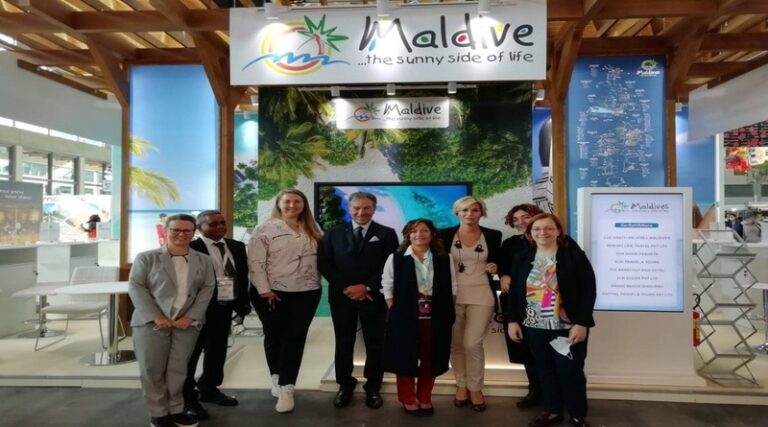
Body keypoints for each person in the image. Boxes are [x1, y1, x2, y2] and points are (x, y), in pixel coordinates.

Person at [506, 213, 596, 427]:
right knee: (544, 369)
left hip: (566, 327)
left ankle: (577, 413)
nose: (542, 232)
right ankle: (553, 410)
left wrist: (581, 323)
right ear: (530, 233)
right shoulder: (522, 258)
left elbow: (588, 290)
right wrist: (513, 320)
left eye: (548, 228)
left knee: (570, 370)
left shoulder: (573, 256)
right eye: (537, 229)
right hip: (533, 326)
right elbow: (515, 292)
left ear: (558, 231)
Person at [128, 213, 216, 427]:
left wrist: (191, 316)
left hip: (186, 325)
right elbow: (136, 287)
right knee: (152, 370)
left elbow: (208, 288)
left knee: (178, 370)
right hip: (151, 324)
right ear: (166, 231)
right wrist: (155, 316)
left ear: (194, 233)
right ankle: (158, 413)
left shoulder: (203, 260)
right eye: (176, 229)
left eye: (187, 230)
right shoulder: (146, 258)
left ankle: (176, 409)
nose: (181, 234)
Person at [318, 192, 399, 409]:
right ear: (349, 208)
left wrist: (367, 287)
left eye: (366, 208)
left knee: (375, 343)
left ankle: (373, 387)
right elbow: (324, 263)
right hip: (342, 296)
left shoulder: (387, 233)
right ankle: (345, 385)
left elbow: (391, 265)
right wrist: (347, 288)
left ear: (374, 209)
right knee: (344, 342)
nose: (361, 212)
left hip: (373, 296)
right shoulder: (333, 233)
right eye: (356, 208)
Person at [248, 188, 323, 413]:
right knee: (275, 336)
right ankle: (276, 376)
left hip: (307, 291)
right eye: (287, 202)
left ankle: (287, 386)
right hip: (271, 293)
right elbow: (255, 262)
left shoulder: (314, 228)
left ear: (304, 204)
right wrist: (264, 290)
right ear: (279, 204)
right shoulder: (265, 229)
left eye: (297, 201)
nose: (292, 205)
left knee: (296, 337)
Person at [183, 210, 253, 421]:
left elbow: (241, 276)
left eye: (222, 222)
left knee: (217, 350)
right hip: (197, 309)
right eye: (213, 224)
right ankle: (187, 398)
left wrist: (242, 303)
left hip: (224, 307)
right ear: (200, 227)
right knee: (191, 354)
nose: (220, 227)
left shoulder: (236, 246)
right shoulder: (191, 248)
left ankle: (209, 388)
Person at [382, 219, 456, 416]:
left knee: (431, 360)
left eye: (424, 231)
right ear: (408, 234)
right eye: (414, 231)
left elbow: (452, 287)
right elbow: (387, 286)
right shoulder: (396, 258)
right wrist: (395, 311)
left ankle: (425, 397)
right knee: (404, 359)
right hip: (405, 318)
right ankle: (408, 399)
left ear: (432, 234)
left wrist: (447, 311)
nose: (419, 234)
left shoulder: (444, 258)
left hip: (435, 317)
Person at [439, 196, 501, 412]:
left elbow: (500, 261)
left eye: (475, 210)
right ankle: (461, 385)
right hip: (452, 296)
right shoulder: (444, 235)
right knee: (456, 344)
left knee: (472, 344)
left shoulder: (493, 235)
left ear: (481, 213)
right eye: (464, 210)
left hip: (482, 295)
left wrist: (496, 267)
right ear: (457, 212)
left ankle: (476, 388)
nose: (469, 214)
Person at [499, 203, 545, 408]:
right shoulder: (510, 244)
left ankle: (555, 393)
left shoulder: (553, 240)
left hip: (548, 304)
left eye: (525, 217)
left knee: (551, 350)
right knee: (526, 350)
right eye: (515, 219)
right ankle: (535, 390)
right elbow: (503, 267)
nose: (520, 222)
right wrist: (503, 275)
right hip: (519, 304)